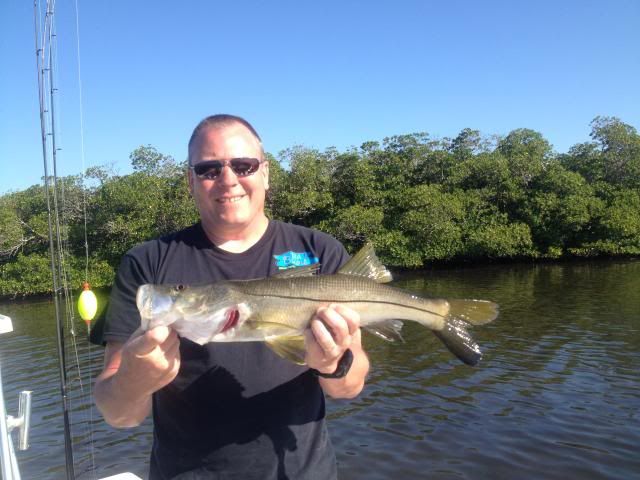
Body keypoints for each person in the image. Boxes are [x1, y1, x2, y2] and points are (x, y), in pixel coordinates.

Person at [94, 114, 370, 479]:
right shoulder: (147, 261)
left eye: (244, 165)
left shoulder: (319, 250)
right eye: (209, 169)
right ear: (190, 180)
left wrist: (334, 365)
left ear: (266, 173)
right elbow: (119, 415)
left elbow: (350, 388)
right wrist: (134, 378)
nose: (228, 180)